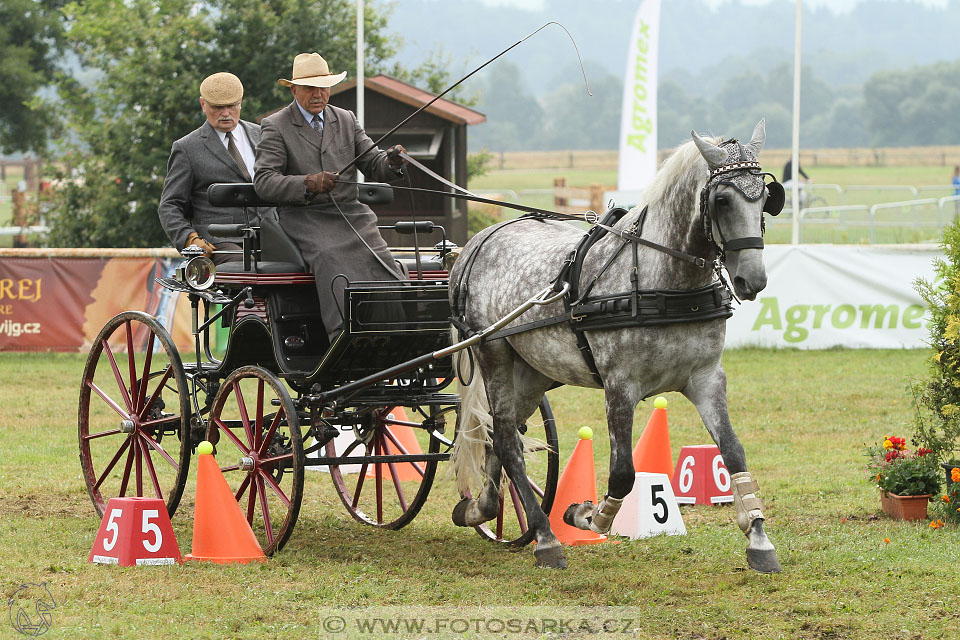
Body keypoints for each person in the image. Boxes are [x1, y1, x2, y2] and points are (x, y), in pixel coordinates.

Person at [254, 52, 408, 340]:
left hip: (352, 216)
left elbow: (373, 163)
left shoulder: (346, 119)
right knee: (332, 259)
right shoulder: (276, 125)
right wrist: (308, 183)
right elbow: (264, 182)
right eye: (310, 87)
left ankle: (393, 334)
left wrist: (392, 163)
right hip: (304, 218)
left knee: (385, 264)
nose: (318, 94)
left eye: (324, 86)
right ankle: (343, 336)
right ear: (294, 89)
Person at [158, 72, 276, 264]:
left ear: (241, 103)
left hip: (272, 234)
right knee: (246, 270)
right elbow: (170, 205)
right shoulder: (186, 148)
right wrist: (189, 238)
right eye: (218, 107)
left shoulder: (263, 134)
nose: (226, 113)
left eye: (232, 105)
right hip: (220, 241)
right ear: (203, 104)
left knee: (302, 268)